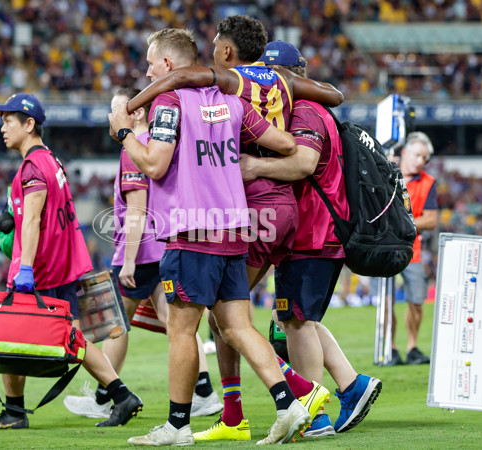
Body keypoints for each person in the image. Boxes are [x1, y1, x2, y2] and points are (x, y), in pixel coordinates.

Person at [126, 16, 342, 442]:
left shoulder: (193, 96)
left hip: (203, 224)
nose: (149, 72)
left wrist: (125, 124)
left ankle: (181, 424)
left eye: (153, 65)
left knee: (189, 329)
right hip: (244, 222)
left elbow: (155, 162)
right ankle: (286, 402)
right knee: (236, 325)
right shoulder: (245, 98)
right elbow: (298, 132)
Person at [0, 93, 141, 430]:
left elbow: (34, 220)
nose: (2, 128)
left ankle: (15, 412)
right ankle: (122, 396)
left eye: (8, 121)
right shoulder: (52, 160)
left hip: (41, 270)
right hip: (66, 265)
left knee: (9, 330)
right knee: (75, 338)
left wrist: (24, 268)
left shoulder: (32, 167)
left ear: (29, 124)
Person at [239, 41, 383, 436]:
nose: (264, 88)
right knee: (301, 318)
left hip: (313, 234)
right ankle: (352, 385)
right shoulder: (312, 109)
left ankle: (314, 413)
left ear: (289, 77)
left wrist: (254, 166)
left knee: (296, 322)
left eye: (271, 78)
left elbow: (303, 163)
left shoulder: (304, 110)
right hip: (318, 233)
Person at [63, 88, 223, 420]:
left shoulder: (134, 149)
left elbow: (137, 210)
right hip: (163, 245)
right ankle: (204, 391)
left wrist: (130, 259)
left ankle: (104, 395)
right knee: (174, 323)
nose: (111, 116)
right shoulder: (159, 144)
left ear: (136, 113)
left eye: (115, 108)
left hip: (142, 250)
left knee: (113, 324)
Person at [386, 131, 437, 366]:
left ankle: (412, 347)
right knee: (385, 301)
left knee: (416, 301)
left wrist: (403, 224)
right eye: (417, 155)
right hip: (383, 249)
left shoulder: (428, 182)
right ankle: (391, 348)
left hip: (412, 248)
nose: (421, 161)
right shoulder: (385, 170)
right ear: (404, 152)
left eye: (424, 158)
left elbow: (431, 220)